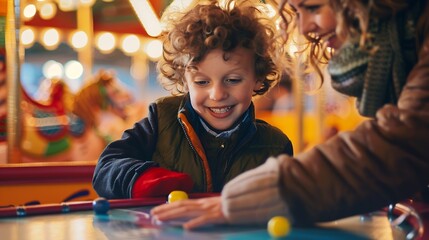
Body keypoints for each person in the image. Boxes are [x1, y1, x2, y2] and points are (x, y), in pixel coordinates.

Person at [151, 0, 429, 229]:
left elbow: (403, 143)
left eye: (314, 7)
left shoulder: (273, 141)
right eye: (298, 12)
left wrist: (267, 193)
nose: (305, 26)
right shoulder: (161, 116)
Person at [92, 0, 293, 199]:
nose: (217, 94)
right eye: (202, 82)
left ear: (257, 78)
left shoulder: (275, 145)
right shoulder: (162, 120)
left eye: (233, 80)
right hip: (166, 230)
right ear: (185, 80)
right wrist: (142, 179)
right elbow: (106, 167)